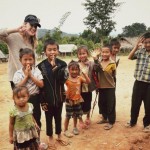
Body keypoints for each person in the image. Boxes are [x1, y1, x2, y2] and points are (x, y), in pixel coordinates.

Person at [37, 39, 69, 147]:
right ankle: (50, 136)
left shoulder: (63, 64)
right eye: (49, 50)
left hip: (59, 96)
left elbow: (63, 80)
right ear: (45, 51)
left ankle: (59, 135)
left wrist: (56, 68)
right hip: (47, 98)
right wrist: (42, 101)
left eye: (54, 49)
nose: (52, 52)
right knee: (48, 118)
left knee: (58, 116)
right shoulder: (41, 66)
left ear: (58, 51)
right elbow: (40, 86)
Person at [0, 14, 41, 89]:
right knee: (19, 100)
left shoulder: (33, 42)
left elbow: (33, 60)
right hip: (16, 77)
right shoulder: (13, 36)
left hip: (29, 77)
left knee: (30, 100)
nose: (34, 28)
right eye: (32, 25)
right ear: (25, 24)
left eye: (35, 26)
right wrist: (16, 29)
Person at [13, 48, 44, 130]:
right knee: (23, 119)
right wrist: (26, 77)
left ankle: (37, 140)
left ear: (34, 60)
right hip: (22, 100)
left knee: (36, 119)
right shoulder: (17, 73)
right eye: (25, 59)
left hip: (35, 99)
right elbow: (17, 87)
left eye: (30, 59)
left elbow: (41, 84)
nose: (28, 62)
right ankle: (27, 141)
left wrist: (31, 75)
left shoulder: (37, 71)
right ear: (20, 60)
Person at [125, 32, 150, 132]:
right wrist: (136, 47)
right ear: (143, 43)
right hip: (138, 82)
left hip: (149, 84)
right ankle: (132, 121)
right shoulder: (140, 51)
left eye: (149, 42)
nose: (148, 44)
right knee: (135, 103)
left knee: (149, 105)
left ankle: (147, 124)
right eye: (146, 42)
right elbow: (130, 57)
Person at [92, 44, 116, 130]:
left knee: (110, 105)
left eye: (107, 52)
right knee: (101, 103)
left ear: (110, 53)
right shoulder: (99, 62)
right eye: (103, 52)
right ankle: (104, 118)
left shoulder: (112, 63)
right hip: (101, 87)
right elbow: (96, 69)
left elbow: (110, 74)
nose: (104, 54)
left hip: (110, 87)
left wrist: (96, 59)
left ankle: (111, 121)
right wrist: (96, 59)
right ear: (101, 53)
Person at [64, 60, 91, 138]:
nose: (74, 71)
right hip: (69, 101)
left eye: (76, 70)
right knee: (68, 116)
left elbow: (88, 82)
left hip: (77, 100)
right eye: (72, 70)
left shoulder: (80, 78)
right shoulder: (67, 79)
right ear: (69, 70)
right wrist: (65, 93)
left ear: (79, 70)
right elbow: (62, 87)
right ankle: (65, 130)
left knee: (76, 115)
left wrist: (85, 74)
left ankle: (75, 127)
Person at [77, 45, 96, 128]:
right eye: (80, 54)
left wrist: (95, 59)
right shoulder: (76, 64)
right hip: (79, 89)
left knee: (88, 103)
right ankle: (80, 120)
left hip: (88, 88)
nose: (82, 55)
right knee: (79, 104)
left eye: (84, 53)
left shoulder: (91, 64)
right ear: (77, 55)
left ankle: (88, 117)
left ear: (87, 54)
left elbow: (98, 68)